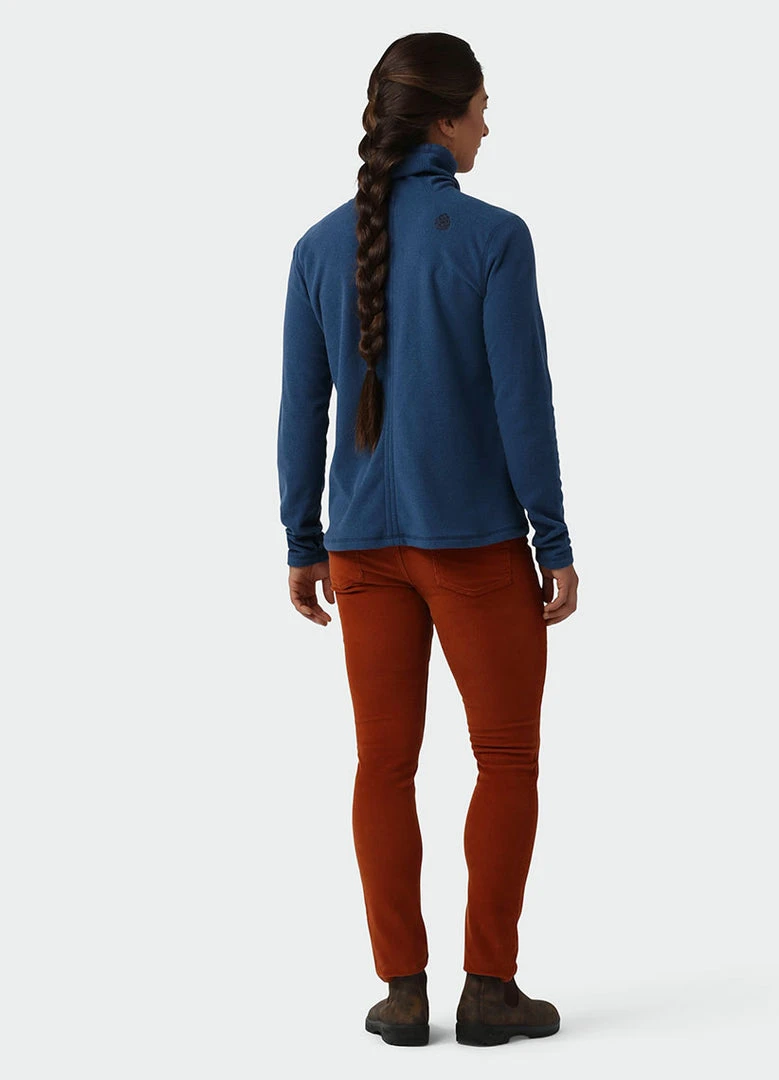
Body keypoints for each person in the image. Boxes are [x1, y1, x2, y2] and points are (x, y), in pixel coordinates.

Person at [277, 31, 580, 1048]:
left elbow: (301, 411)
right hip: (474, 548)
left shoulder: (318, 246)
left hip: (360, 551)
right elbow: (522, 403)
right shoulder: (494, 237)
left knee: (382, 765)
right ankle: (488, 989)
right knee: (505, 756)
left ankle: (402, 993)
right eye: (481, 108)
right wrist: (552, 538)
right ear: (445, 120)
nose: (488, 125)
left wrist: (302, 539)